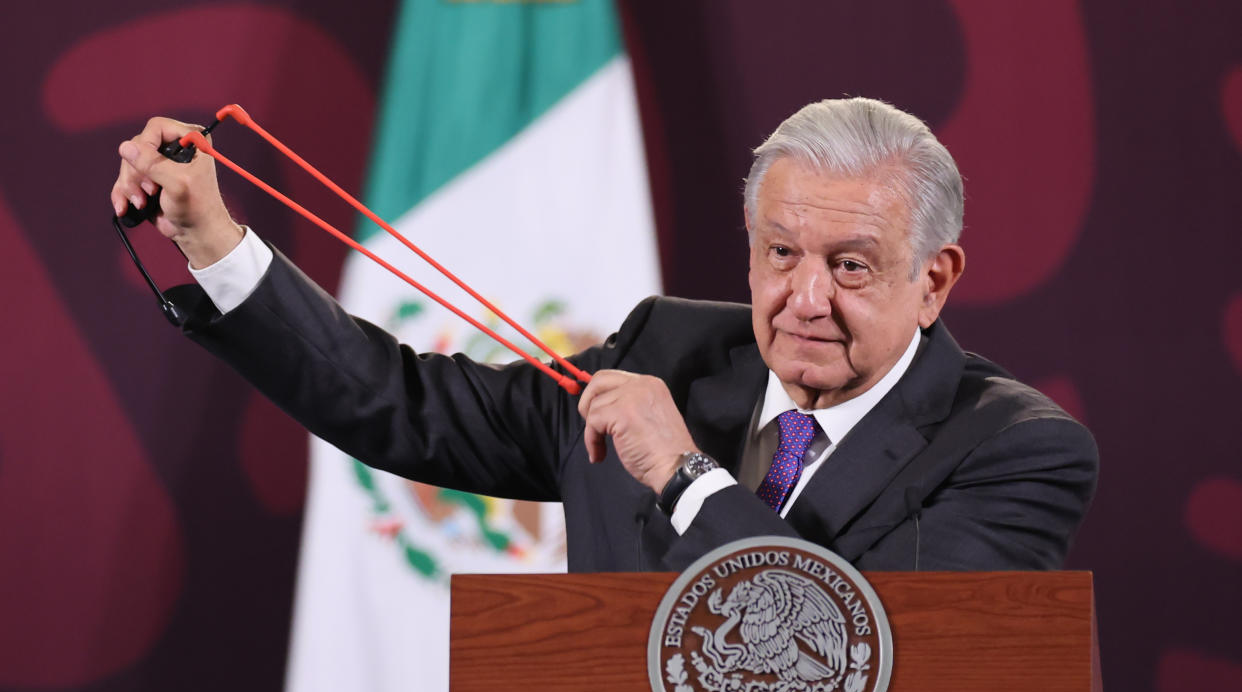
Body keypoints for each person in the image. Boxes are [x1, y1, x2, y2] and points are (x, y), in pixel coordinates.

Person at [110, 97, 1098, 573]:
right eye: (779, 255)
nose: (803, 300)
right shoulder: (663, 352)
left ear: (935, 279)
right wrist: (217, 244)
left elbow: (846, 649)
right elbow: (402, 409)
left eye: (849, 267)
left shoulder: (1016, 450)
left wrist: (685, 475)